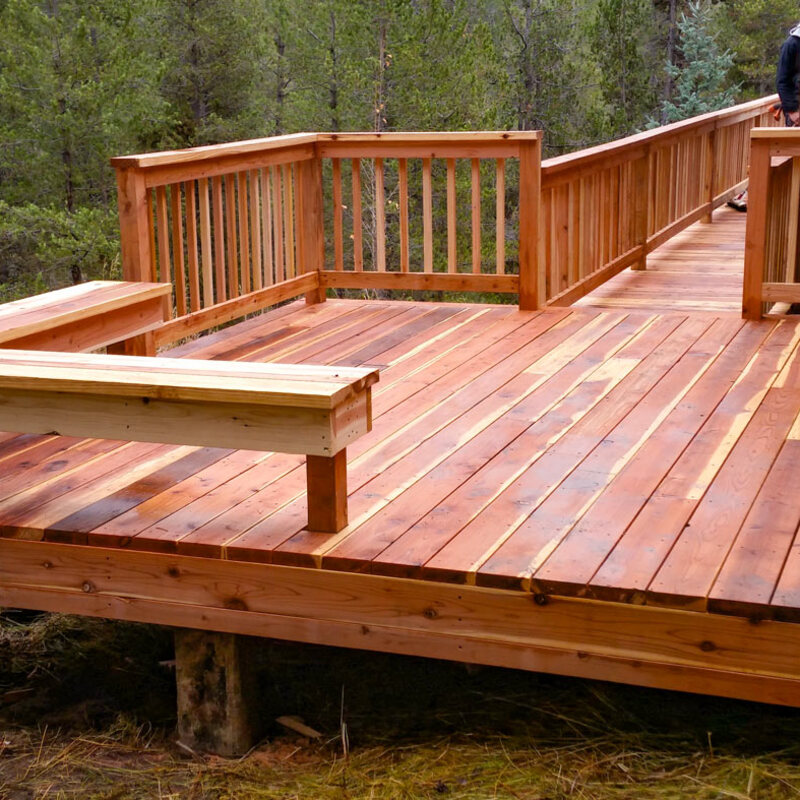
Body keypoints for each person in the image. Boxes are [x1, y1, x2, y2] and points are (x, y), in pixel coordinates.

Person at [728, 21, 800, 212]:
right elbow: (783, 81)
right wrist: (793, 111)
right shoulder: (792, 44)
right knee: (790, 159)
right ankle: (775, 204)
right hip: (797, 113)